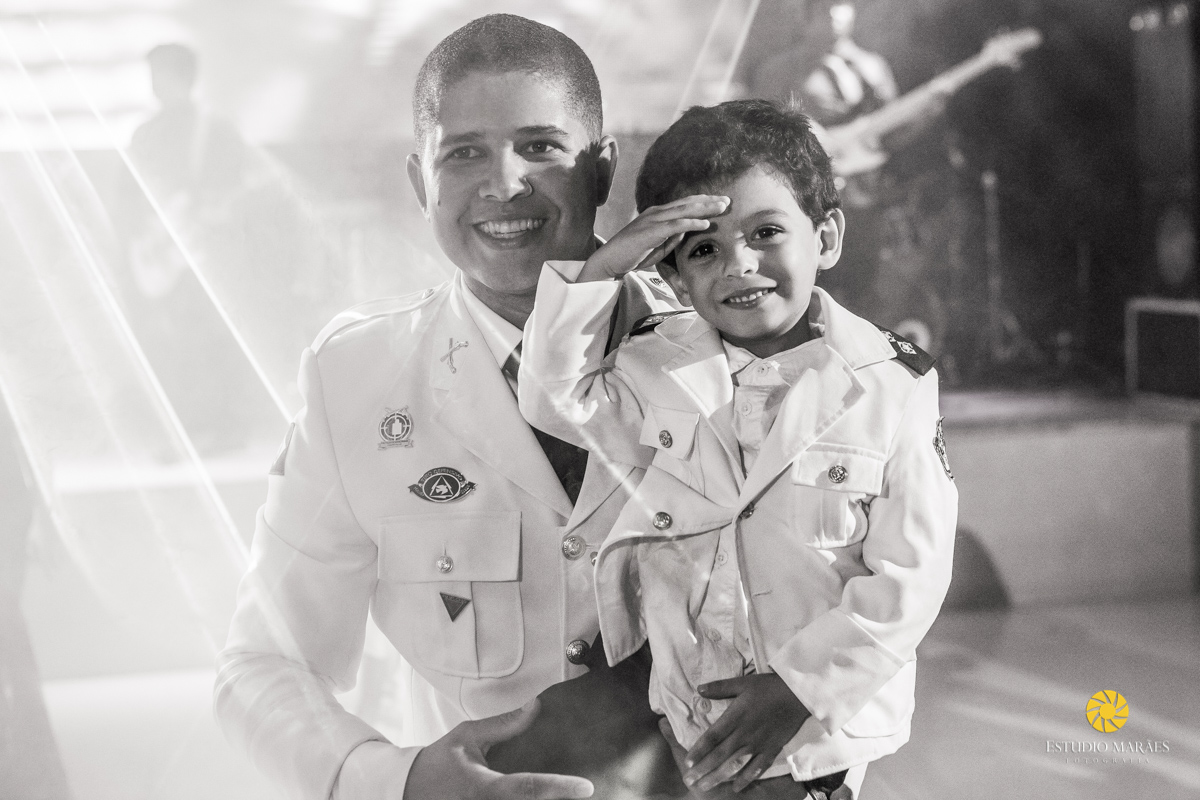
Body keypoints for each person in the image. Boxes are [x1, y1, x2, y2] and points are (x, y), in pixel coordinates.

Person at [213, 14, 680, 800]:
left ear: (602, 170)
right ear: (418, 182)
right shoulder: (358, 379)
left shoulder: (722, 349)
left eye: (541, 147)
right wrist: (399, 780)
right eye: (464, 153)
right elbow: (260, 666)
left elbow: (854, 606)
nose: (504, 184)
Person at [518, 99, 958, 799]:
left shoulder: (892, 384)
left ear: (827, 237)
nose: (739, 264)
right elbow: (553, 396)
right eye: (704, 250)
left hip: (816, 734)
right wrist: (605, 268)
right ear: (672, 275)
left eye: (767, 232)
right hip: (685, 711)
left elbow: (911, 575)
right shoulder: (653, 365)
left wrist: (801, 686)